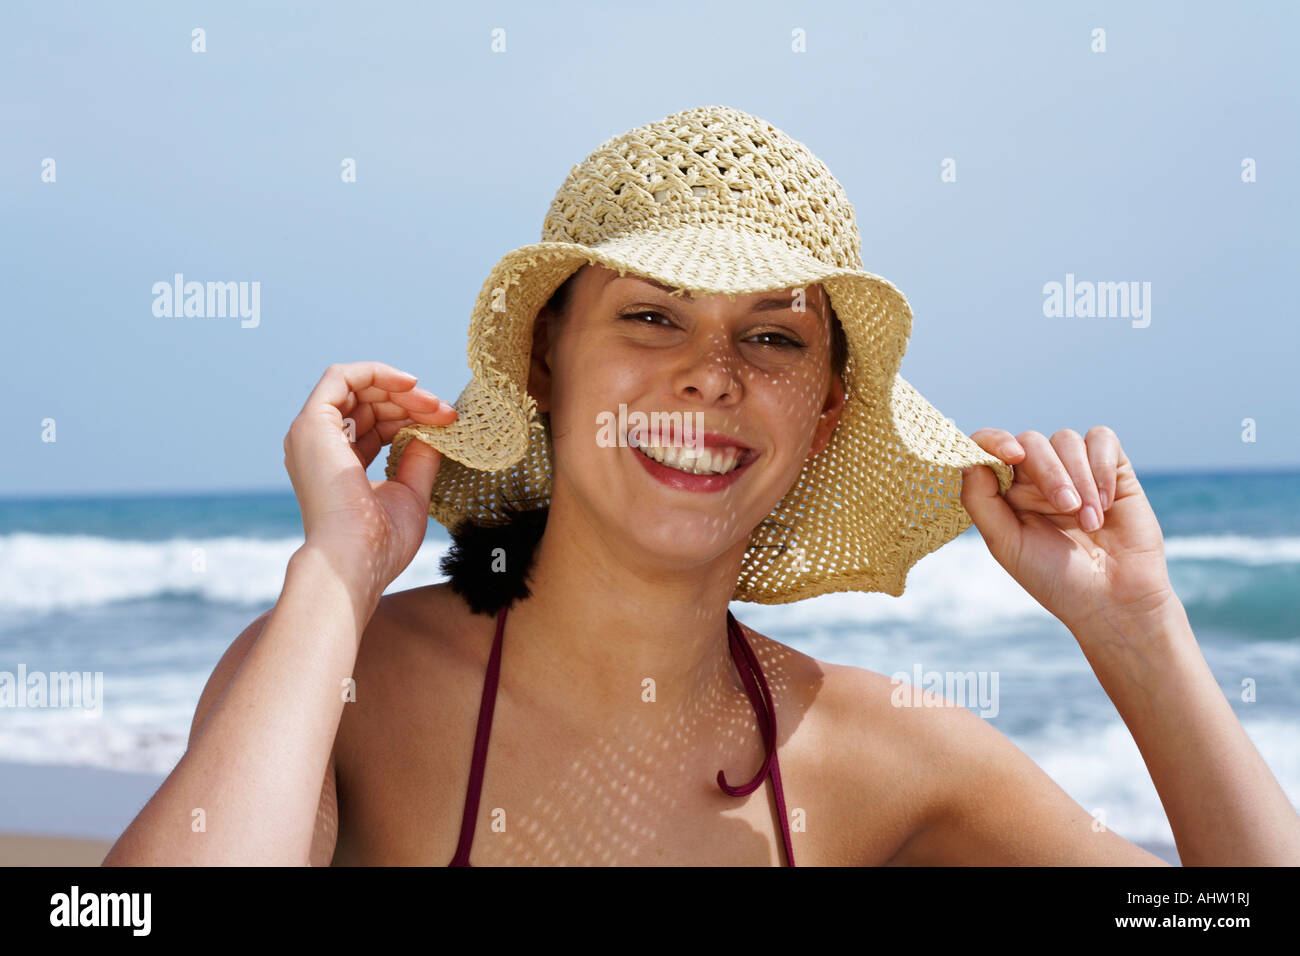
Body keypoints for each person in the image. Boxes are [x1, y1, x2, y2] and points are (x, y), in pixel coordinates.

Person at [104, 106, 1300, 866]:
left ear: (826, 408)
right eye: (651, 316)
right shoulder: (344, 683)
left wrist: (1136, 631)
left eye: (773, 338)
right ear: (546, 364)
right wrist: (333, 576)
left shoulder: (887, 755)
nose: (711, 376)